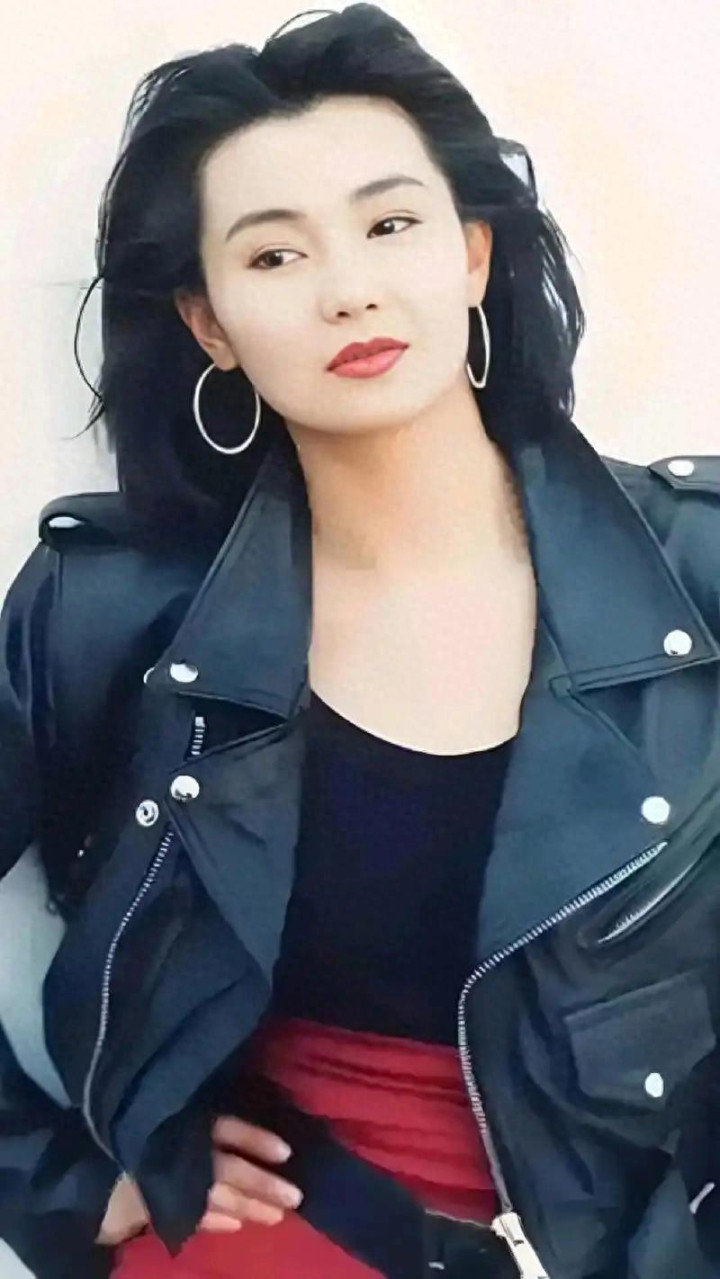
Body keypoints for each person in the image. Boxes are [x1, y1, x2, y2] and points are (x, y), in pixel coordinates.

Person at [0, 5, 719, 1277]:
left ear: (473, 253)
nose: (349, 289)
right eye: (274, 255)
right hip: (277, 1239)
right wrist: (45, 1177)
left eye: (390, 225)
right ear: (211, 324)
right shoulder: (108, 606)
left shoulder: (698, 573)